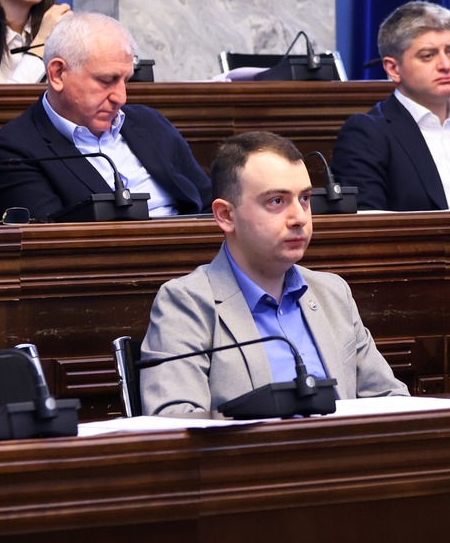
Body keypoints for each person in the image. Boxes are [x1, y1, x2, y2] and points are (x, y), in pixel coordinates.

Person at [138, 132, 406, 417]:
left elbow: (391, 399)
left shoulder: (332, 292)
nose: (299, 218)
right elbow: (174, 420)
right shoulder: (187, 303)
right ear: (225, 215)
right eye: (277, 201)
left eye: (305, 198)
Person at [0, 12, 209, 221]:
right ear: (58, 74)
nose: (121, 97)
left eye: (126, 80)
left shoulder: (149, 122)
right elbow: (51, 243)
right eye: (107, 80)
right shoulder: (14, 152)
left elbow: (210, 202)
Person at [332, 1, 450, 210]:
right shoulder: (367, 134)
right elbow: (367, 219)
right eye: (428, 55)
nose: (446, 65)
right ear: (393, 69)